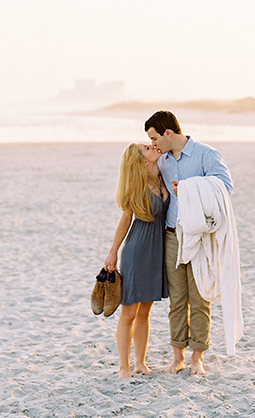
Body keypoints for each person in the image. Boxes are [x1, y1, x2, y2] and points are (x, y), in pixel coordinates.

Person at [144, 111, 233, 376]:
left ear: (168, 133)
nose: (153, 144)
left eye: (154, 138)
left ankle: (198, 357)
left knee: (200, 297)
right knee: (177, 300)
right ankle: (177, 356)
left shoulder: (206, 154)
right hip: (172, 234)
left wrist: (190, 188)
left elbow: (225, 186)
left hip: (199, 236)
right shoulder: (163, 162)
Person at [104, 142, 169, 379]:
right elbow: (125, 220)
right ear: (142, 161)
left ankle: (140, 363)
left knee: (145, 312)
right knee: (129, 313)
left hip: (157, 251)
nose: (152, 146)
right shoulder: (137, 185)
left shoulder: (163, 175)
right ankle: (124, 367)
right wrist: (112, 251)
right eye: (147, 148)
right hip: (137, 250)